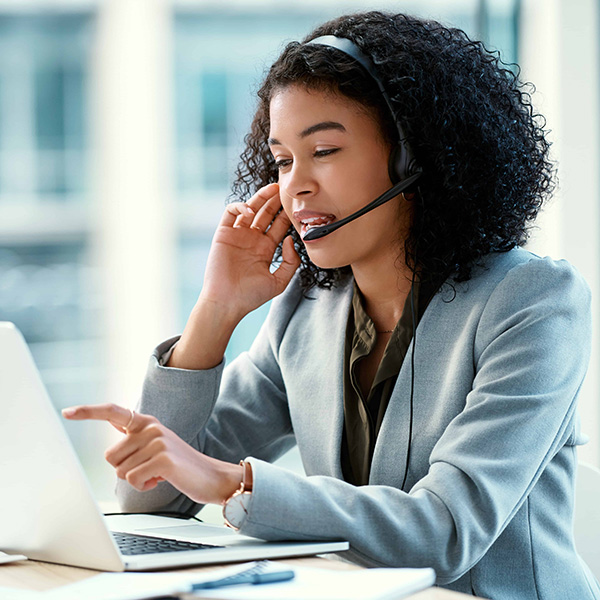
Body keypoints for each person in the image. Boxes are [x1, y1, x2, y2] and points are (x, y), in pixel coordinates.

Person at [63, 11, 599, 599]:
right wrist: (216, 312)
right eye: (284, 160)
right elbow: (153, 495)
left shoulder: (532, 302)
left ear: (414, 157)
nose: (296, 186)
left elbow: (445, 531)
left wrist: (230, 482)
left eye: (324, 150)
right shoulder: (308, 308)